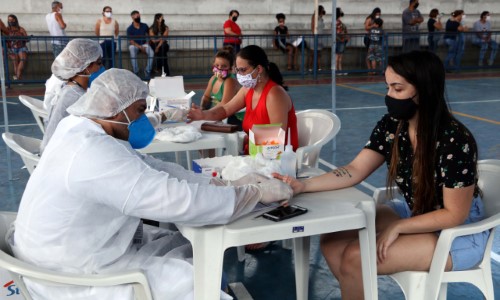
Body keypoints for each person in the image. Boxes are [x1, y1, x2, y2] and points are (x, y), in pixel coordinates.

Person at [9, 68, 292, 300]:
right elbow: (176, 200)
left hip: (60, 252)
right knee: (190, 275)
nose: (143, 119)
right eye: (140, 110)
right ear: (117, 110)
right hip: (71, 276)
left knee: (182, 243)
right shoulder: (93, 153)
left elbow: (151, 168)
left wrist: (224, 184)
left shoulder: (78, 128)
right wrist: (251, 194)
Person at [276, 50, 488, 300]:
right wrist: (303, 185)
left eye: (397, 89)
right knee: (332, 242)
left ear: (424, 90)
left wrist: (399, 226)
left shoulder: (455, 140)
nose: (389, 96)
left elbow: (454, 214)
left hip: (458, 233)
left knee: (356, 258)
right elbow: (354, 170)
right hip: (415, 210)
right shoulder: (392, 126)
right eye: (388, 87)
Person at [188, 45, 299, 153]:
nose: (239, 75)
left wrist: (244, 139)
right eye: (237, 70)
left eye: (243, 70)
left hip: (278, 159)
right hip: (256, 153)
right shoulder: (247, 90)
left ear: (259, 69)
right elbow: (226, 109)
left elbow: (277, 137)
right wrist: (202, 115)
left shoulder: (274, 94)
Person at [41, 38, 104, 152]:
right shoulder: (76, 97)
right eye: (99, 63)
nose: (101, 68)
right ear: (85, 68)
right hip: (59, 156)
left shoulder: (69, 88)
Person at [199, 47, 242, 129]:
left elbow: (224, 104)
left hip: (235, 119)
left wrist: (205, 114)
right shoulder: (213, 79)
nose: (219, 69)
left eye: (224, 66)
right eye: (217, 65)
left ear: (230, 69)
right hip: (221, 116)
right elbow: (206, 97)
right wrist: (201, 109)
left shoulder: (230, 81)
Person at [127, 10, 154, 79]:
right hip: (135, 45)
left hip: (144, 44)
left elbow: (149, 36)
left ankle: (147, 70)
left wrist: (148, 43)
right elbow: (131, 41)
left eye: (139, 15)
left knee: (151, 52)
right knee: (131, 48)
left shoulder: (144, 26)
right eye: (137, 16)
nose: (138, 17)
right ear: (132, 17)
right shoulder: (130, 29)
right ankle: (136, 71)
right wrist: (140, 47)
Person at [1, 15, 28, 81]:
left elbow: (27, 39)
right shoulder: (7, 29)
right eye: (9, 20)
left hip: (22, 47)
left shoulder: (20, 29)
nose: (10, 21)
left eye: (12, 20)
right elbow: (5, 40)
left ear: (15, 20)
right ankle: (19, 79)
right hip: (12, 48)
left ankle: (17, 75)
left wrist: (23, 36)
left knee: (23, 60)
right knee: (15, 63)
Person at [308, 5, 326, 72]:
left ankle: (319, 67)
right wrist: (314, 35)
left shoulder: (321, 18)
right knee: (312, 53)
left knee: (319, 54)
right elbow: (312, 26)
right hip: (315, 37)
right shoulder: (314, 16)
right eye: (322, 10)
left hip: (320, 37)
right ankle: (310, 67)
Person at [335, 8, 349, 76]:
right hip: (339, 40)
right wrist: (343, 38)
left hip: (341, 40)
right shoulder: (337, 22)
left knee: (339, 56)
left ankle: (339, 70)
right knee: (338, 56)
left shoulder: (338, 21)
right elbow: (338, 32)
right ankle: (337, 70)